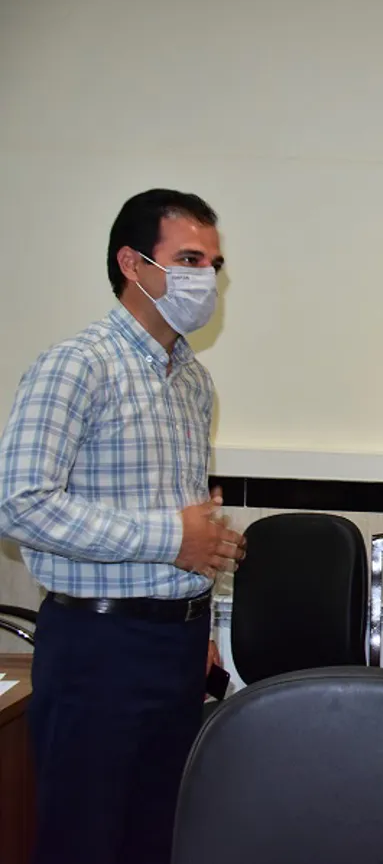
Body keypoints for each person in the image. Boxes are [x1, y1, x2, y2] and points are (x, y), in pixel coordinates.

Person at [0, 188, 246, 864]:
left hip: (178, 645)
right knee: (86, 840)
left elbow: (191, 521)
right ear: (133, 264)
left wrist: (200, 622)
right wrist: (171, 539)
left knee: (157, 838)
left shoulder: (194, 381)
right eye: (189, 259)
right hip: (98, 647)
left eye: (214, 264)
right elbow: (19, 503)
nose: (207, 278)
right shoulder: (76, 364)